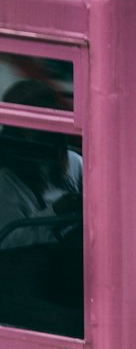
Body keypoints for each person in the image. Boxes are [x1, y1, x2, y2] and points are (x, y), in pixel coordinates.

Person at [0, 80, 82, 250]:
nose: (48, 132)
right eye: (38, 127)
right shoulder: (6, 182)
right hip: (38, 270)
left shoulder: (74, 163)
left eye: (52, 123)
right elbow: (9, 243)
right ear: (17, 133)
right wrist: (56, 211)